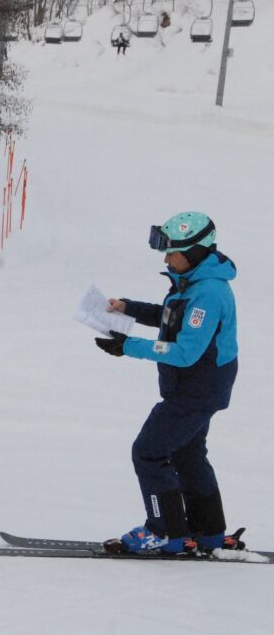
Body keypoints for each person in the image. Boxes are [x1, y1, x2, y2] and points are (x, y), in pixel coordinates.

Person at [95, 212, 238, 555]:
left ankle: (164, 530)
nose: (166, 258)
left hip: (195, 390)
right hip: (198, 388)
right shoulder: (193, 282)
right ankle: (209, 533)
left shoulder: (208, 294)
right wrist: (129, 309)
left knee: (148, 452)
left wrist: (128, 346)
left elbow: (186, 351)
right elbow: (172, 318)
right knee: (186, 454)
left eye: (172, 252)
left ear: (197, 252)